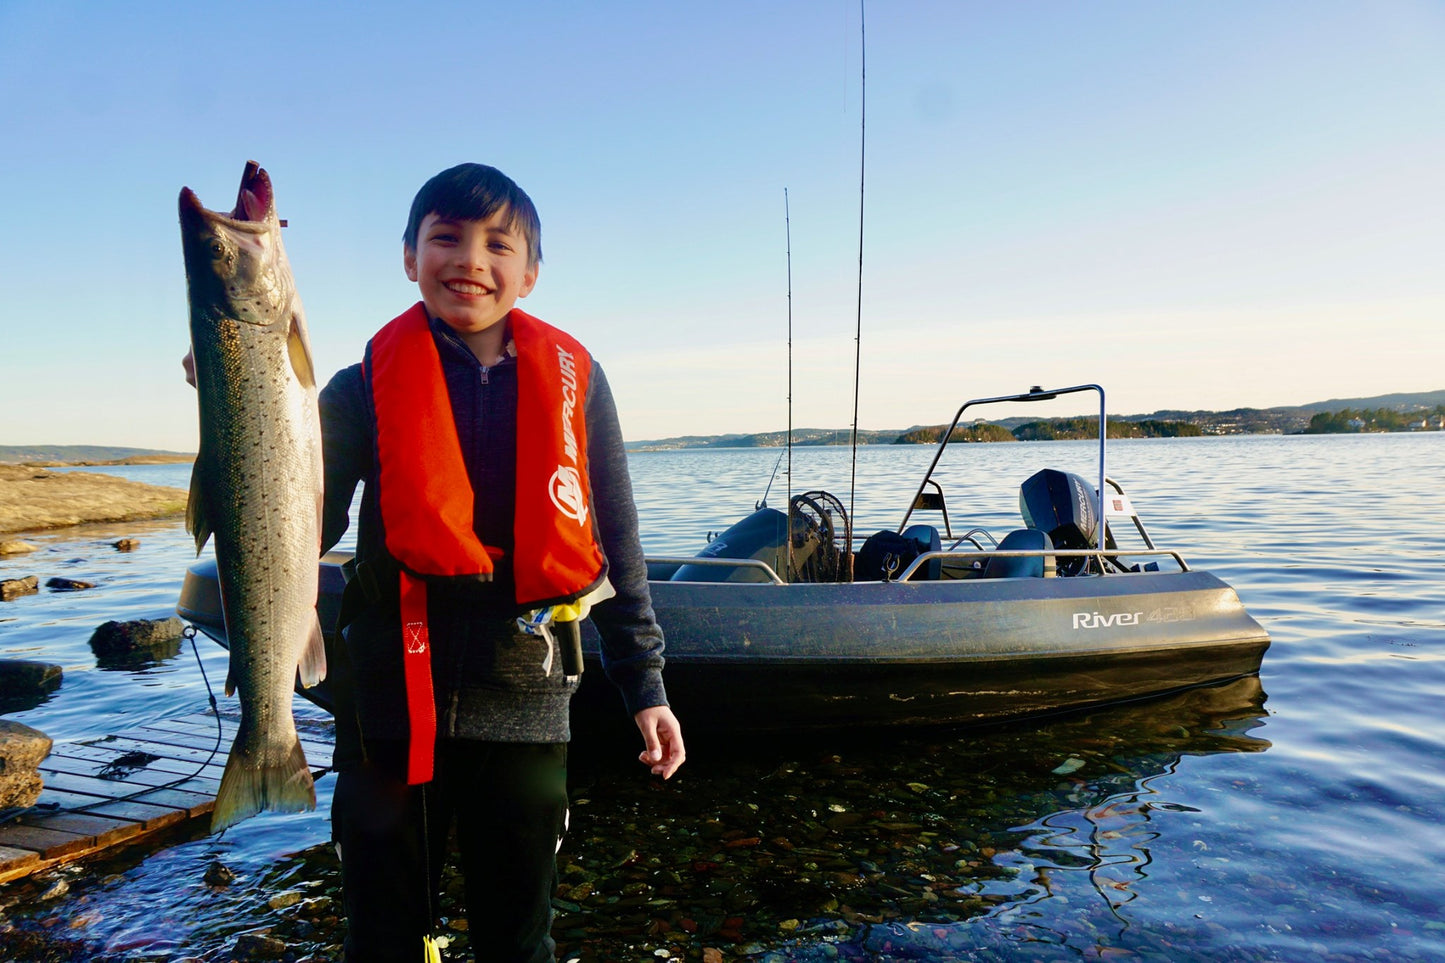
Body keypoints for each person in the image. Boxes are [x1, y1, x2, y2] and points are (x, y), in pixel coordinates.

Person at [192, 163, 684, 961]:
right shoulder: (356, 388)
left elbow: (619, 550)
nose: (470, 259)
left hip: (526, 710)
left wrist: (646, 688)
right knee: (383, 936)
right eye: (445, 237)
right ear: (409, 257)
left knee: (518, 936)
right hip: (385, 707)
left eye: (498, 243)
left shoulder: (577, 386)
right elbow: (292, 526)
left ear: (529, 273)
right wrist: (229, 396)